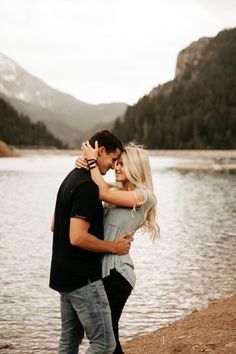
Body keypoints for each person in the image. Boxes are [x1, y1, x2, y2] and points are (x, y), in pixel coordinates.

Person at [49, 130, 133, 354]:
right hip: (83, 278)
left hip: (62, 275)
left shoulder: (70, 177)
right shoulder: (88, 187)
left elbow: (54, 225)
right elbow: (77, 237)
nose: (113, 166)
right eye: (113, 159)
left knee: (69, 341)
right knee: (104, 344)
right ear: (101, 151)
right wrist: (113, 247)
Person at [76, 140, 159, 354]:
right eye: (116, 163)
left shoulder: (143, 196)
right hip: (103, 271)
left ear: (135, 167)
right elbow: (96, 188)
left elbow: (102, 192)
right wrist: (82, 164)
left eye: (122, 164)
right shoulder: (118, 191)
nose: (116, 167)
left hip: (118, 273)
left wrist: (93, 162)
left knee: (106, 334)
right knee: (108, 335)